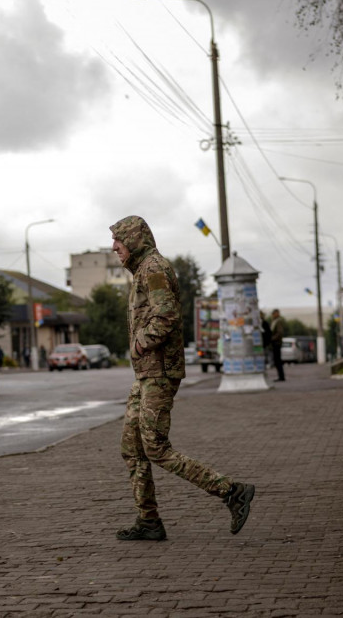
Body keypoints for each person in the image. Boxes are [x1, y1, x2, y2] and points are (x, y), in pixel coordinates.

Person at [110, 215, 255, 541]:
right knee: (132, 448)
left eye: (118, 240)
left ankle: (232, 491)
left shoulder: (154, 268)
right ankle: (148, 520)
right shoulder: (142, 270)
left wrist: (139, 343)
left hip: (159, 371)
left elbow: (166, 316)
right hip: (147, 372)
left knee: (156, 448)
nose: (114, 247)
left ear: (133, 239)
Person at [270, 308, 286, 382]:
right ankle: (280, 376)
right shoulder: (274, 321)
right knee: (276, 360)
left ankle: (281, 376)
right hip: (275, 343)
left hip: (277, 343)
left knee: (277, 360)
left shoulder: (278, 321)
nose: (273, 315)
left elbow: (279, 333)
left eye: (274, 313)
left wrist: (272, 338)